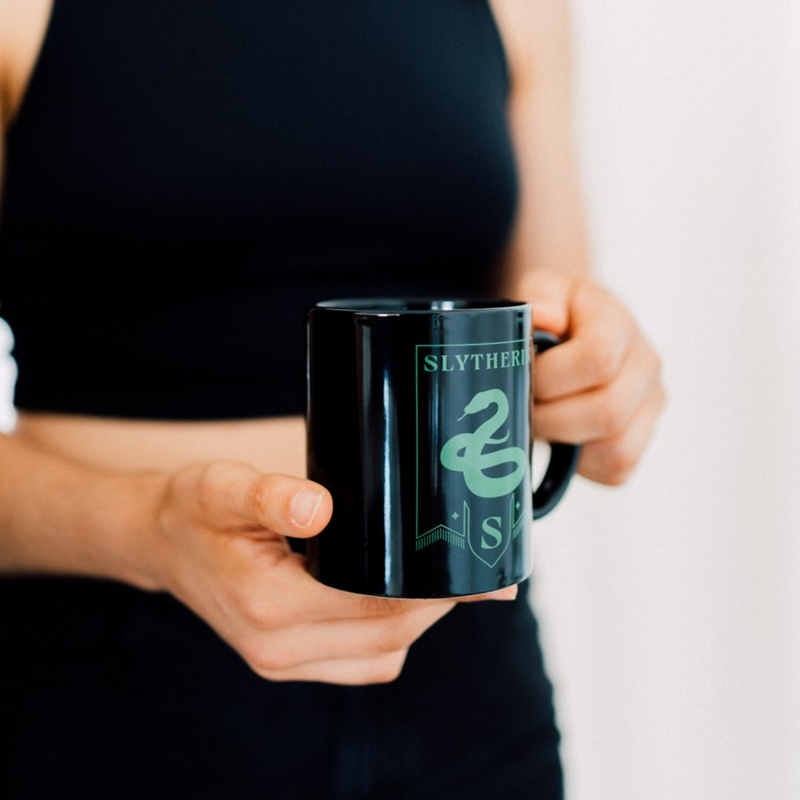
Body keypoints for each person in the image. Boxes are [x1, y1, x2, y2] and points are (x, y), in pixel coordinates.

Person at [0, 0, 665, 798]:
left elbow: (550, 321)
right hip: (111, 682)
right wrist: (151, 528)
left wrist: (601, 386)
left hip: (465, 676)